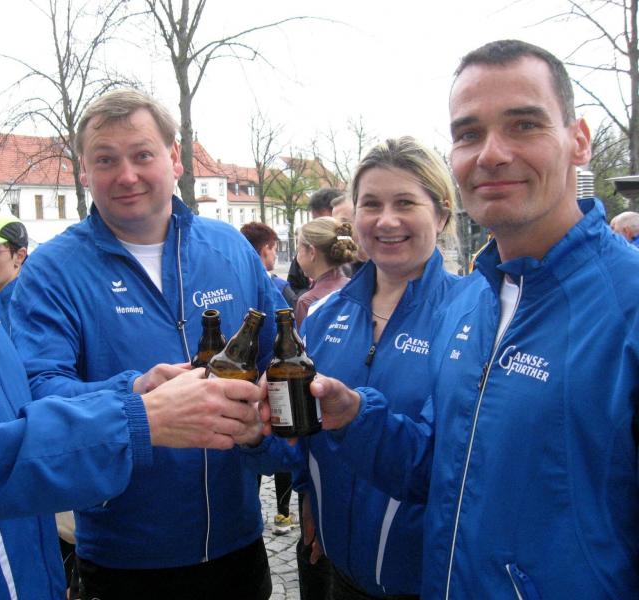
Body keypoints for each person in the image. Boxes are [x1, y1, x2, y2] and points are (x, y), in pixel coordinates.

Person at [0, 75, 265, 600]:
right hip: (103, 556)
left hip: (217, 542)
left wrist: (132, 392)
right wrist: (139, 418)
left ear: (175, 158)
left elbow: (19, 418)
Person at [266, 40, 639, 598]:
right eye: (468, 133)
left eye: (524, 124)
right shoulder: (475, 304)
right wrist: (352, 418)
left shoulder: (626, 304)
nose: (492, 153)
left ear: (578, 140)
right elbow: (438, 473)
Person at [10, 88, 285, 600]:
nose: (126, 175)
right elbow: (36, 392)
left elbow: (279, 367)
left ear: (174, 157)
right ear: (84, 170)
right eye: (105, 160)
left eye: (142, 155)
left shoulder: (229, 248)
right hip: (123, 554)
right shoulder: (53, 270)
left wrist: (263, 442)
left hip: (238, 543)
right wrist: (135, 392)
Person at [246, 137, 460, 599]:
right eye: (372, 204)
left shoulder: (470, 317)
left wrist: (356, 417)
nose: (386, 220)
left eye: (406, 203)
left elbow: (451, 467)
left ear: (442, 214)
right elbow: (299, 443)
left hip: (426, 583)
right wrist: (253, 433)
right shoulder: (325, 315)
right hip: (339, 573)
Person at [240, 221, 296, 535]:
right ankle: (284, 512)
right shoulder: (277, 287)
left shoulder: (269, 287)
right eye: (273, 249)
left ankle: (284, 511)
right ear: (265, 250)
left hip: (257, 421)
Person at [294, 216, 357, 328]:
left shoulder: (308, 302)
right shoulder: (356, 288)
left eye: (298, 250)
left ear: (312, 252)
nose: (297, 257)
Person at [287, 187, 344, 297]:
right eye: (315, 221)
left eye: (326, 222)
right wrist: (312, 295)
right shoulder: (305, 252)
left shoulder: (358, 254)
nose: (319, 228)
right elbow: (293, 288)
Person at [330, 192, 368, 274]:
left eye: (344, 221)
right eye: (334, 223)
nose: (337, 228)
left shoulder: (385, 265)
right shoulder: (338, 269)